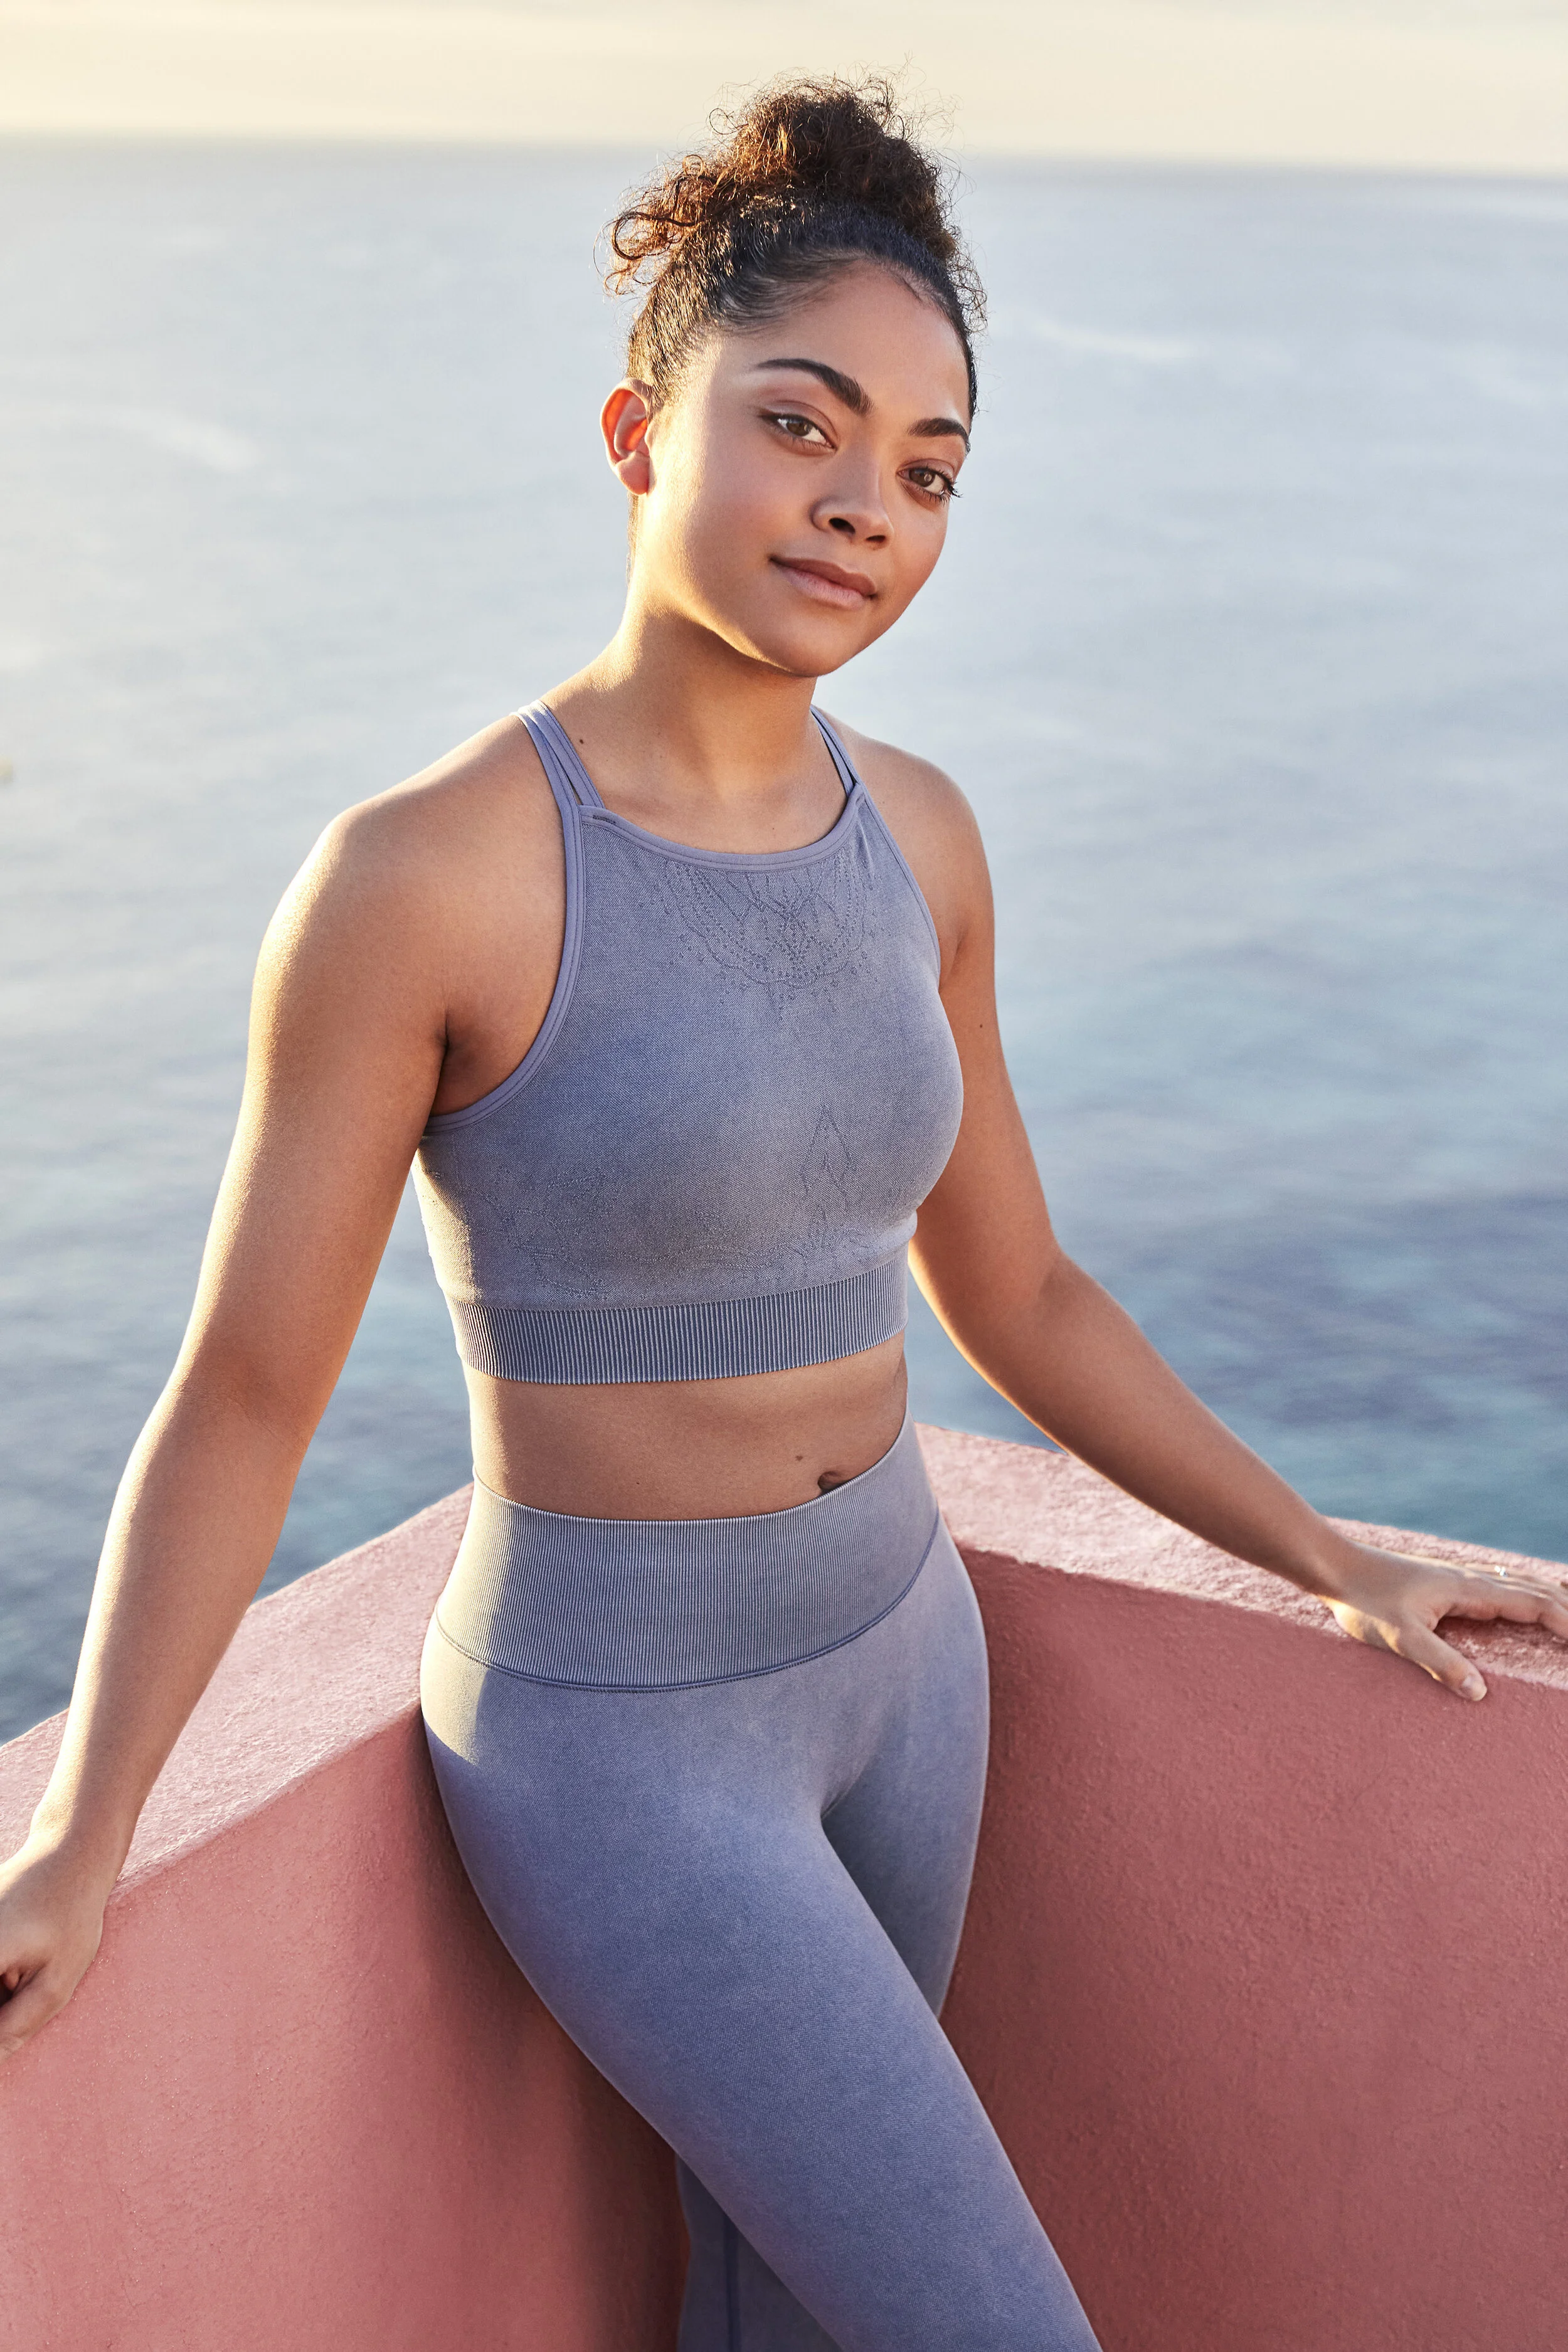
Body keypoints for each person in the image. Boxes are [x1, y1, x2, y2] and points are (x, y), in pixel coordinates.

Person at [3, 74, 1565, 2352]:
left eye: (927, 471)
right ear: (638, 434)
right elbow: (247, 1385)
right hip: (617, 1736)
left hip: (908, 1657)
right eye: (801, 426)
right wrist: (87, 1824)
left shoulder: (919, 835)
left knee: (784, 2312)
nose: (863, 508)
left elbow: (1017, 1284)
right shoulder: (423, 875)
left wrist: (1326, 1552)